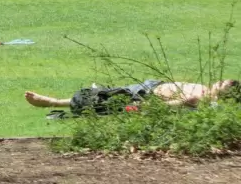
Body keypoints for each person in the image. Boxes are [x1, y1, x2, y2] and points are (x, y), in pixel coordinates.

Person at [24, 79, 240, 113]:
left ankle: (52, 102)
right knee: (104, 93)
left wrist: (142, 109)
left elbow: (175, 103)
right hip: (151, 86)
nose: (218, 82)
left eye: (222, 85)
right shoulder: (204, 89)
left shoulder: (201, 99)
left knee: (102, 98)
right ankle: (55, 101)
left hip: (146, 95)